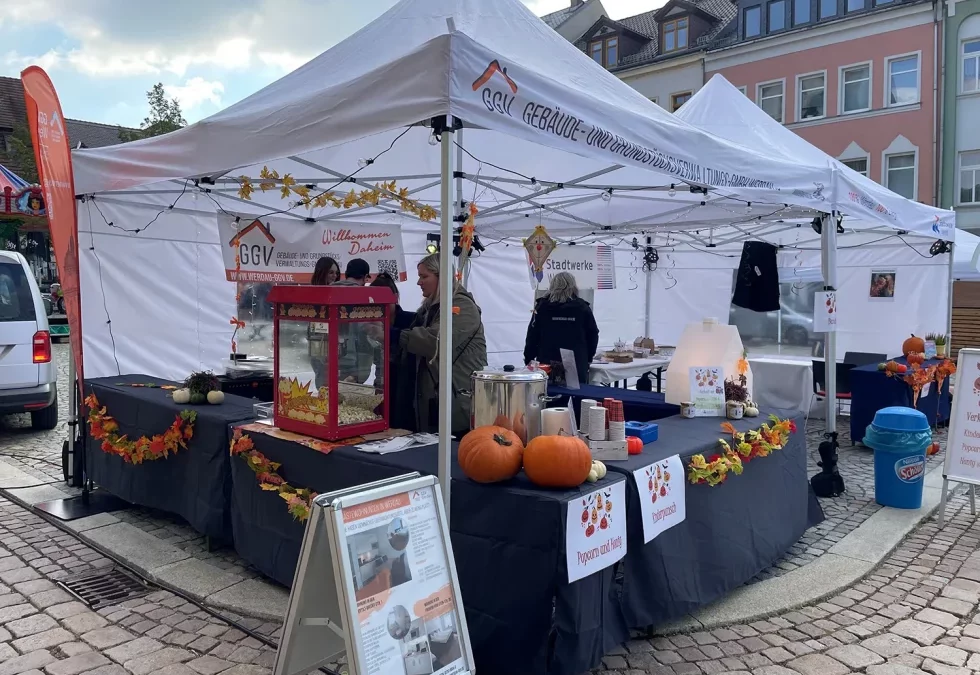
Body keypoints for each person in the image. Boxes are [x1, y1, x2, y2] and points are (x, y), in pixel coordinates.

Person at [398, 254, 487, 435]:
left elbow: (434, 340)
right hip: (437, 399)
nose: (419, 282)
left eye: (424, 276)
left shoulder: (463, 306)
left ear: (442, 276)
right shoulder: (431, 307)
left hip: (457, 403)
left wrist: (395, 335)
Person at [523, 271, 599, 384]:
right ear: (573, 286)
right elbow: (593, 334)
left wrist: (528, 358)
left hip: (547, 363)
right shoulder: (582, 307)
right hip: (576, 362)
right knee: (577, 393)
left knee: (549, 393)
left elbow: (532, 335)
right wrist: (588, 358)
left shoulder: (542, 307)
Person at [370, 273, 416, 430]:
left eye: (384, 301)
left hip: (407, 387)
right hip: (382, 383)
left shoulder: (412, 320)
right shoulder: (370, 323)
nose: (379, 307)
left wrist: (387, 336)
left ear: (395, 298)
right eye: (375, 303)